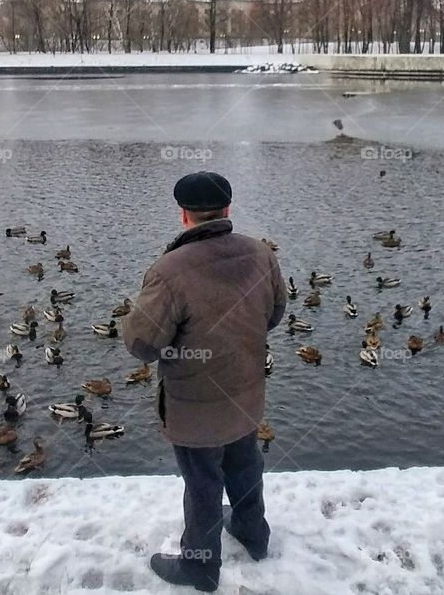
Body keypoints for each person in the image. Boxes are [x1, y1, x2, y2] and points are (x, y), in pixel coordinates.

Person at [123, 170, 287, 592]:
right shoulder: (261, 253)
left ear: (184, 215)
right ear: (227, 208)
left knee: (202, 483)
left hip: (194, 403)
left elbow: (143, 344)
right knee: (245, 464)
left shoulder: (169, 271)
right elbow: (275, 314)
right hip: (246, 389)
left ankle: (200, 566)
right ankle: (253, 533)